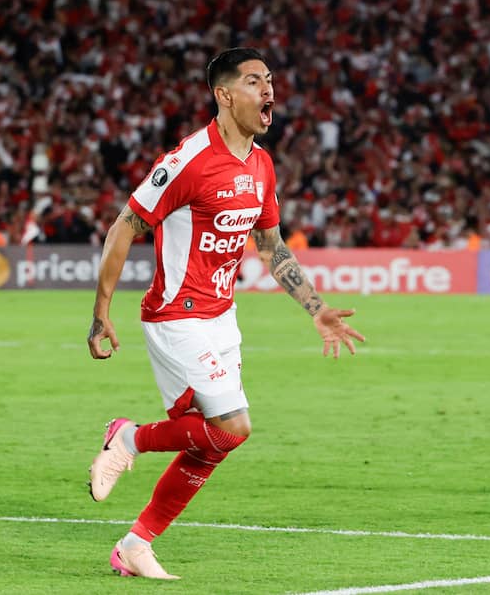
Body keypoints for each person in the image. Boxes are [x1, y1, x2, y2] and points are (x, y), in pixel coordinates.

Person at [86, 48, 365, 580]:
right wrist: (102, 312)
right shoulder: (187, 160)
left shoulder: (261, 164)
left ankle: (136, 545)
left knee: (210, 443)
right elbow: (125, 226)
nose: (268, 90)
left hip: (221, 318)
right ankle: (128, 438)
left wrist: (316, 308)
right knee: (233, 428)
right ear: (224, 95)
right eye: (255, 81)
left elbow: (270, 246)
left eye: (270, 80)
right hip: (176, 314)